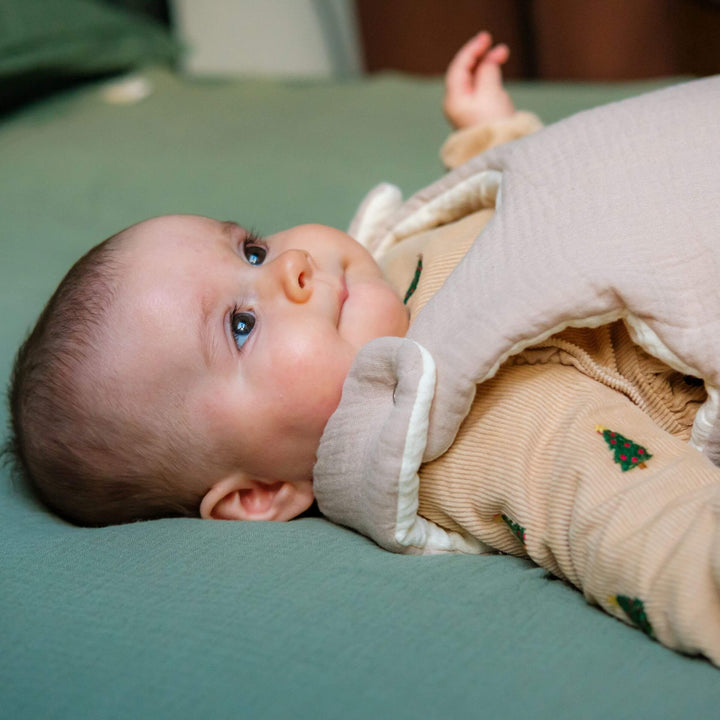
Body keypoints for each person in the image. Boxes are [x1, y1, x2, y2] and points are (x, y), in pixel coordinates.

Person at [8, 32, 720, 662]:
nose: (288, 267)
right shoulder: (463, 434)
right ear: (259, 495)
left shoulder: (392, 264)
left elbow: (535, 221)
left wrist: (493, 141)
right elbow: (636, 522)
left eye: (251, 248)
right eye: (240, 326)